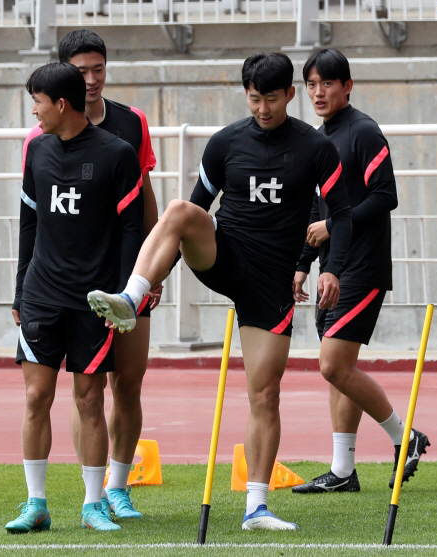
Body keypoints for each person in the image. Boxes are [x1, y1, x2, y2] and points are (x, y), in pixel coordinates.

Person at [87, 52, 352, 530]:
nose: (263, 109)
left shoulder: (316, 148)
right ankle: (131, 295)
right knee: (179, 210)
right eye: (254, 100)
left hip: (270, 280)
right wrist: (158, 275)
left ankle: (256, 507)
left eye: (271, 99)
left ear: (289, 95)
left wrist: (330, 269)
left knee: (264, 393)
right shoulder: (226, 143)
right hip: (223, 256)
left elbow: (344, 215)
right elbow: (190, 215)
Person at [20, 29, 160, 521]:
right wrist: (20, 288)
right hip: (49, 290)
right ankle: (61, 499)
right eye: (82, 71)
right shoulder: (36, 145)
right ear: (66, 80)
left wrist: (145, 276)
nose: (93, 79)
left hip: (117, 283)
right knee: (55, 394)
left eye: (99, 68)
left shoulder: (129, 128)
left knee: (124, 386)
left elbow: (142, 205)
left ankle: (112, 490)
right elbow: (31, 217)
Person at [290, 48, 429, 495]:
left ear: (347, 86)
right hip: (332, 267)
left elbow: (385, 195)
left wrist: (331, 226)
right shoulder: (317, 138)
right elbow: (317, 209)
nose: (318, 92)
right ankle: (343, 471)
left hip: (363, 267)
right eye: (311, 84)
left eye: (327, 83)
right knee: (340, 367)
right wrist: (303, 264)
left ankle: (403, 437)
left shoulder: (364, 132)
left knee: (332, 366)